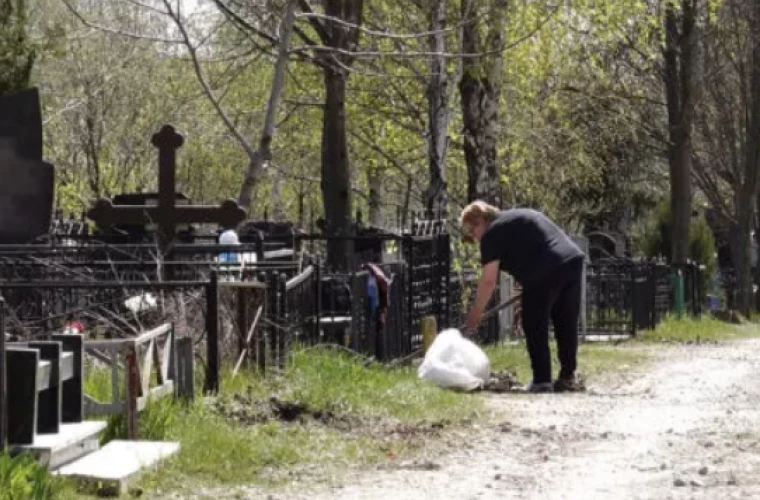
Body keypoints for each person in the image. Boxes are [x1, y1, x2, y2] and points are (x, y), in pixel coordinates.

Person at [460, 201, 585, 393]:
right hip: (571, 261)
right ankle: (567, 376)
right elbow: (531, 247)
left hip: (544, 269)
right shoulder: (516, 217)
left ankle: (542, 380)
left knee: (534, 323)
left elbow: (488, 281)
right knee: (565, 321)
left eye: (472, 230)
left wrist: (475, 314)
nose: (473, 237)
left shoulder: (492, 234)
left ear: (482, 220)